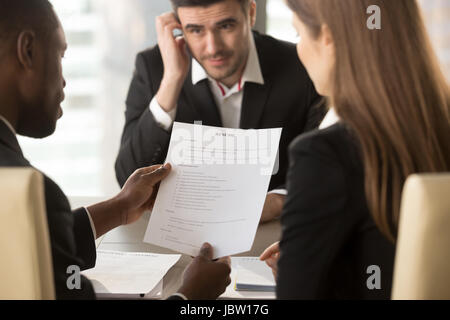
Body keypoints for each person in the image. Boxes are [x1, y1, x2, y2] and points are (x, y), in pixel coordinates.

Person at [0, 0, 231, 300]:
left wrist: (118, 208)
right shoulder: (28, 192)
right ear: (27, 51)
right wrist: (189, 297)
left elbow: (27, 244)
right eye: (60, 54)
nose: (64, 80)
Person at [260, 0, 450, 299]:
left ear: (327, 37)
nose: (299, 51)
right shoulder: (437, 122)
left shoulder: (323, 154)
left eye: (298, 35)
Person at [114, 0, 325, 223]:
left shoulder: (302, 66)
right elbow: (127, 179)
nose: (213, 47)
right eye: (195, 30)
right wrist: (172, 82)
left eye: (225, 26)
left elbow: (324, 166)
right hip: (183, 233)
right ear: (179, 26)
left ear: (251, 13)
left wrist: (278, 200)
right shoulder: (155, 67)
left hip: (274, 231)